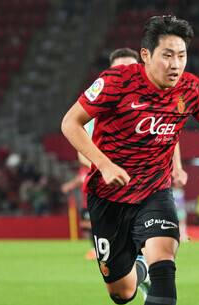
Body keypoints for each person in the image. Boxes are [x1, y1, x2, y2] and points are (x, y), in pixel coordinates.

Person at [61, 15, 199, 305]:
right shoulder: (115, 83)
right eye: (167, 55)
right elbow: (70, 123)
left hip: (155, 192)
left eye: (182, 55)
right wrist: (104, 165)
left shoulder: (191, 89)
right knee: (121, 293)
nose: (176, 64)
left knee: (166, 263)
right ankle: (137, 267)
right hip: (108, 197)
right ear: (146, 55)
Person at [62, 48, 141, 261]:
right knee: (115, 262)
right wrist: (106, 168)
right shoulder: (95, 109)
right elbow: (81, 150)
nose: (124, 74)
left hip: (144, 184)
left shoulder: (153, 103)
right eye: (119, 69)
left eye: (130, 68)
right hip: (107, 184)